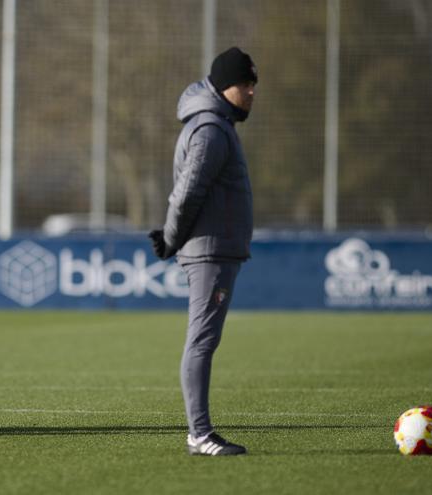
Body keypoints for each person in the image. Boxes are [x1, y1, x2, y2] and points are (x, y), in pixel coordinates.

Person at [149, 47, 257, 456]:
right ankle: (200, 434)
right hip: (209, 252)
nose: (251, 92)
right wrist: (171, 236)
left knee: (204, 340)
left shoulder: (218, 125)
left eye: (253, 85)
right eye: (245, 84)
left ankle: (201, 432)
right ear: (224, 86)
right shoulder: (211, 129)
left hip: (217, 250)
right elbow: (188, 190)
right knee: (201, 341)